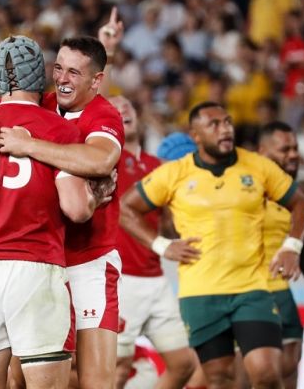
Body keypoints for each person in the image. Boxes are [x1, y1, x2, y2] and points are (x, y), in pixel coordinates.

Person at [0, 14, 126, 389]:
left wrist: (29, 145)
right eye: (58, 68)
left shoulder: (103, 115)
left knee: (94, 382)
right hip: (42, 259)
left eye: (74, 73)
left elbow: (101, 160)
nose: (62, 79)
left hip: (86, 258)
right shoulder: (44, 104)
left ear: (96, 80)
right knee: (21, 379)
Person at [119, 101, 304, 388]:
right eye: (214, 125)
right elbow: (125, 208)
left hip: (252, 290)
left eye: (228, 123)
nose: (225, 130)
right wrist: (161, 245)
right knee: (219, 379)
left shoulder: (257, 166)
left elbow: (301, 203)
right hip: (201, 295)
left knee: (267, 374)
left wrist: (292, 246)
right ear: (195, 135)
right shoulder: (175, 173)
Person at [233, 120, 304, 389]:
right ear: (263, 151)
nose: (293, 154)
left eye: (295, 148)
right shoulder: (241, 188)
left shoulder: (296, 198)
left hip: (280, 292)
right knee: (244, 376)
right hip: (242, 293)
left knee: (289, 368)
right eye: (284, 149)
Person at [108, 96, 196, 389]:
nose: (124, 110)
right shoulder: (103, 158)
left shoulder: (159, 166)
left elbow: (169, 226)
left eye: (129, 106)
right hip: (121, 279)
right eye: (116, 109)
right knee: (117, 369)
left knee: (183, 365)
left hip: (155, 279)